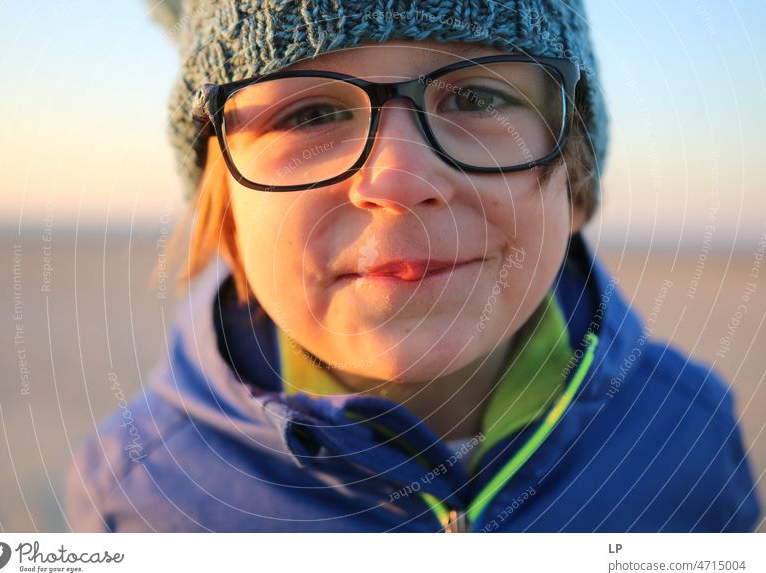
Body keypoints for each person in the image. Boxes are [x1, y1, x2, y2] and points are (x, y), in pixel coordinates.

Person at [64, 0, 760, 532]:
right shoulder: (136, 494)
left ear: (574, 181)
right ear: (228, 215)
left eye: (477, 97)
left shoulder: (687, 431)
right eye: (309, 115)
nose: (397, 177)